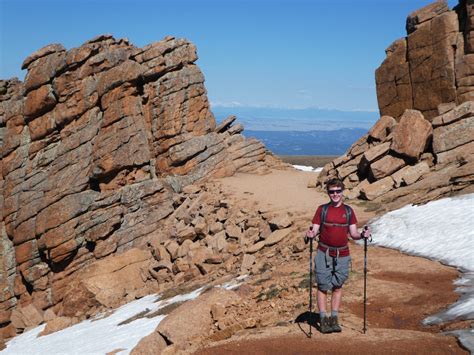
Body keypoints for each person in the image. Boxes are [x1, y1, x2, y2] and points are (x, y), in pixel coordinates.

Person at [305, 178, 370, 334]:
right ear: (328, 193)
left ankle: (334, 320)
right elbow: (314, 230)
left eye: (337, 191)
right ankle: (323, 320)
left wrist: (363, 235)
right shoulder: (322, 209)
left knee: (337, 286)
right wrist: (310, 234)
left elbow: (353, 234)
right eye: (331, 192)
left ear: (342, 192)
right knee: (322, 286)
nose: (335, 194)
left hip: (342, 254)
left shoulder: (348, 211)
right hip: (323, 253)